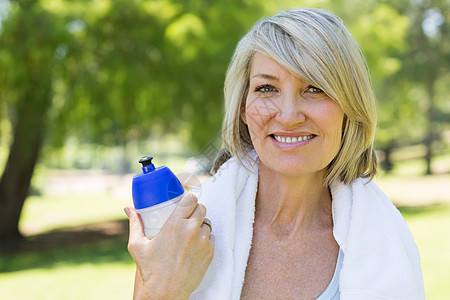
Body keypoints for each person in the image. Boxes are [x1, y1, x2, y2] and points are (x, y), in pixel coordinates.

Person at [124, 8, 425, 300]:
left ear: (349, 107)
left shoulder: (382, 240)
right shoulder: (179, 235)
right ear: (242, 107)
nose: (289, 115)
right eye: (267, 88)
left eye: (316, 88)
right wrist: (162, 292)